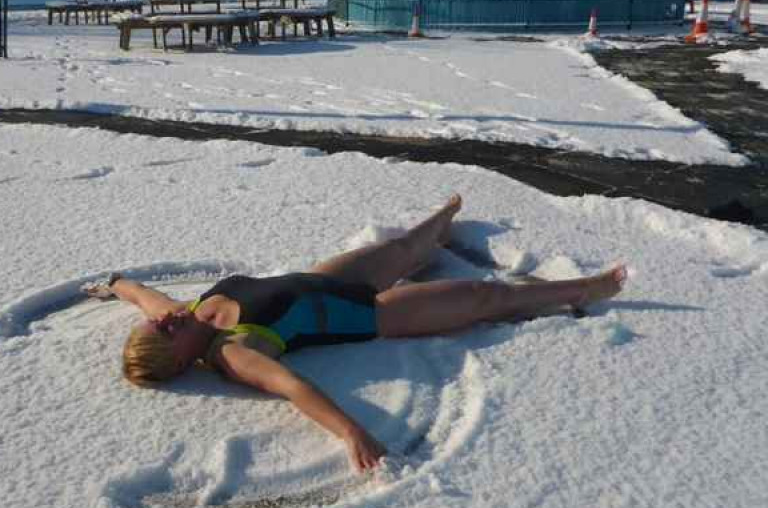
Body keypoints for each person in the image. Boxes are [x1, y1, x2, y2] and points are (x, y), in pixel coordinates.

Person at [85, 195, 627, 473]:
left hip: (325, 280)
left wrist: (115, 283)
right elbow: (295, 390)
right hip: (374, 314)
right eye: (164, 330)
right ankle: (585, 289)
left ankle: (441, 223)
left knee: (406, 249)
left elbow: (140, 294)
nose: (164, 319)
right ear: (181, 362)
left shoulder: (187, 313)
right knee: (486, 300)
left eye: (158, 321)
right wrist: (350, 432)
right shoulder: (234, 354)